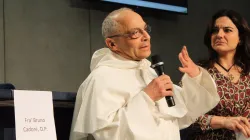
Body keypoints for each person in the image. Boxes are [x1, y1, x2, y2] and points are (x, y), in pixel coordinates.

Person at [69, 7, 219, 140]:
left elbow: (185, 114)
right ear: (112, 44)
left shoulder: (149, 72)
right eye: (135, 33)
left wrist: (196, 77)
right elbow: (107, 134)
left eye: (145, 29)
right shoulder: (101, 78)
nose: (146, 36)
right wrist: (147, 97)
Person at [186, 9, 250, 140]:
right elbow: (184, 116)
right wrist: (224, 121)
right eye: (215, 30)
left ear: (240, 39)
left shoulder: (247, 72)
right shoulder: (199, 71)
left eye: (227, 30)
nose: (219, 35)